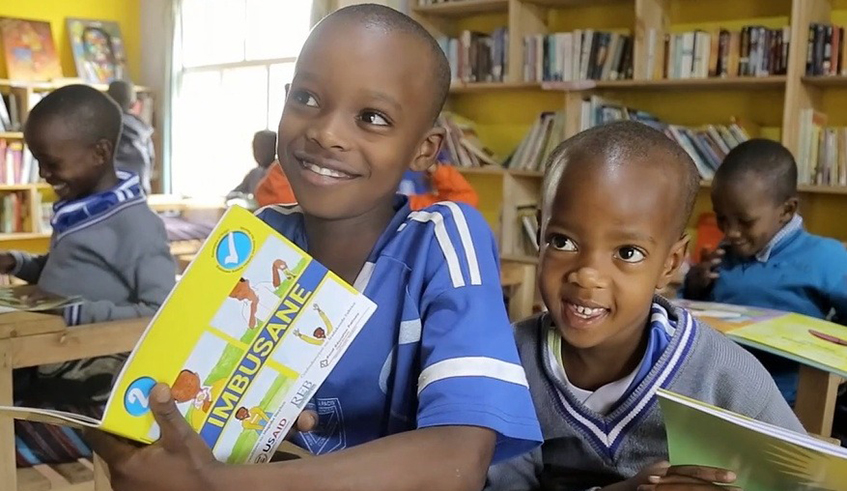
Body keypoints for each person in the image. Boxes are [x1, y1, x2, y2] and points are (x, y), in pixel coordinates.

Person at [87, 5, 542, 491]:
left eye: (372, 117)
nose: (326, 132)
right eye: (307, 97)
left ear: (424, 150)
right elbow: (160, 403)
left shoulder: (444, 239)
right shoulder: (256, 242)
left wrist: (215, 484)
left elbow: (458, 458)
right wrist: (133, 446)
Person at [486, 122, 805, 491]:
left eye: (628, 252)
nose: (588, 275)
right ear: (539, 235)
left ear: (670, 264)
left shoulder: (723, 375)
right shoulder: (508, 362)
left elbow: (802, 480)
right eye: (562, 241)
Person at [0, 84, 175, 465]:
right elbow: (69, 272)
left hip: (88, 371)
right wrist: (19, 264)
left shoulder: (136, 226)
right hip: (47, 350)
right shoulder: (82, 206)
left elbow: (162, 311)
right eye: (37, 162)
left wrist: (78, 312)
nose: (44, 174)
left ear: (100, 153)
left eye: (51, 163)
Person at [682, 138, 847, 406]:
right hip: (716, 392)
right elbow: (690, 316)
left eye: (745, 221)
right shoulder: (722, 258)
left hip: (790, 402)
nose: (731, 232)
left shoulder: (826, 257)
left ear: (786, 211)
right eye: (722, 218)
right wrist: (694, 285)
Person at [107, 80, 155, 194]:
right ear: (134, 104)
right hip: (141, 192)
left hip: (113, 196)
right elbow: (151, 159)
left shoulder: (104, 124)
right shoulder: (143, 129)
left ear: (107, 101)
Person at [230, 130, 278, 197]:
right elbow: (233, 194)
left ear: (275, 149)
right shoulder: (254, 173)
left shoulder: (282, 175)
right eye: (255, 148)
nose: (257, 153)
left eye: (262, 148)